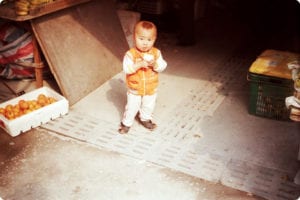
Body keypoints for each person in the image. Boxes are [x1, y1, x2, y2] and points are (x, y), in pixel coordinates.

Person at [118, 20, 167, 134]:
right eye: (141, 39)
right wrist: (138, 65)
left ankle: (145, 118)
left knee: (148, 105)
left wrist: (156, 65)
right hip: (135, 88)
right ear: (134, 38)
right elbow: (127, 69)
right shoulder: (131, 54)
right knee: (132, 106)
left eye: (149, 40)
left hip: (150, 87)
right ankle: (126, 123)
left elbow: (163, 66)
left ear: (154, 39)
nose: (145, 43)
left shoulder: (156, 53)